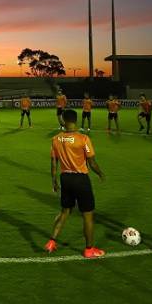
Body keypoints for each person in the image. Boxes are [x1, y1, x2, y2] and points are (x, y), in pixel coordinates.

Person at [44, 109, 105, 258]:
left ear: (64, 121)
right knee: (88, 215)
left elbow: (53, 163)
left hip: (65, 178)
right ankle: (89, 249)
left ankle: (52, 241)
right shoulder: (83, 138)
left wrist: (54, 181)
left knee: (65, 211)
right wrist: (100, 173)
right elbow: (92, 162)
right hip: (80, 180)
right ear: (76, 120)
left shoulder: (56, 139)